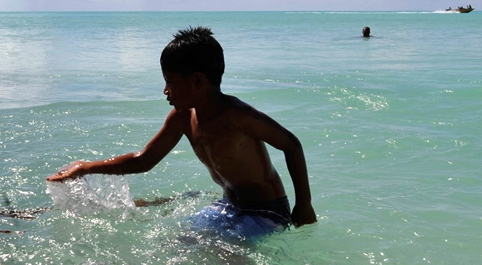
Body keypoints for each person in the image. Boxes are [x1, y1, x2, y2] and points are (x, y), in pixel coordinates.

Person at [47, 27, 316, 233]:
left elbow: (291, 144)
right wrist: (85, 168)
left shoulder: (236, 116)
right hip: (230, 206)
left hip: (266, 213)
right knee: (180, 240)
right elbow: (143, 160)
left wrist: (303, 206)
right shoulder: (182, 118)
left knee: (221, 259)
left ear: (198, 81)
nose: (165, 90)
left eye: (170, 82)